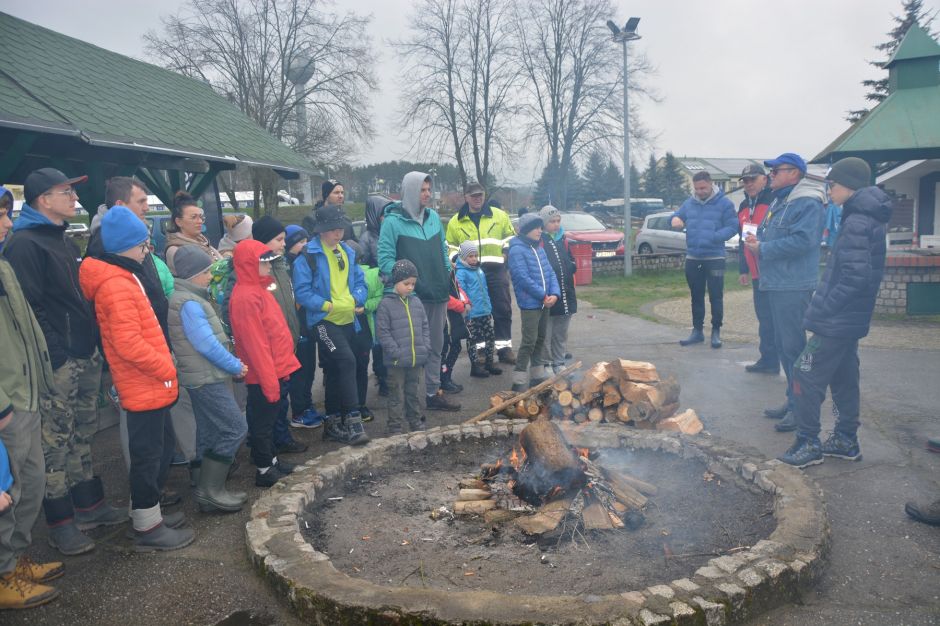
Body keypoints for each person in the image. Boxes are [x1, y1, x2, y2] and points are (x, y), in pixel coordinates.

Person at [3, 168, 124, 556]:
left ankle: (90, 505)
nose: (75, 198)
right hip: (59, 363)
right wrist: (56, 357)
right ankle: (61, 523)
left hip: (83, 353)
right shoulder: (24, 245)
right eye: (66, 192)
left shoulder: (62, 239)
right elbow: (30, 310)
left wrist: (91, 347)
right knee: (55, 442)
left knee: (82, 431)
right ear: (44, 199)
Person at [79, 207, 193, 551]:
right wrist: (165, 367)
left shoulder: (123, 276)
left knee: (158, 450)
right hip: (143, 383)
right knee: (147, 456)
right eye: (143, 245)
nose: (147, 250)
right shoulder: (116, 284)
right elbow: (127, 343)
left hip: (148, 382)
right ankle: (147, 527)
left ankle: (148, 514)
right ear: (124, 245)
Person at [777, 158, 891, 468]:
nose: (829, 190)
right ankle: (845, 439)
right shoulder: (865, 217)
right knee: (843, 378)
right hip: (849, 320)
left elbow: (856, 277)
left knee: (803, 373)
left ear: (849, 186)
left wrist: (824, 307)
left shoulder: (857, 222)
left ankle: (808, 441)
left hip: (837, 320)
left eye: (833, 185)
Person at [0, 190, 62, 609]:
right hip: (7, 402)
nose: (8, 223)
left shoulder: (3, 264)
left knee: (31, 483)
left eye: (7, 214)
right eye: (0, 216)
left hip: (25, 393)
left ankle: (15, 560)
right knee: (8, 491)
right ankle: (3, 574)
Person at [745, 153, 826, 432]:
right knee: (783, 346)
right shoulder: (781, 200)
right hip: (777, 282)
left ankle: (801, 408)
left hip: (793, 285)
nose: (772, 175)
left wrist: (763, 248)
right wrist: (758, 240)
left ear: (794, 173)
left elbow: (804, 241)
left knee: (794, 348)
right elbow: (775, 233)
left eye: (776, 171)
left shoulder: (807, 202)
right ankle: (792, 399)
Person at [167, 245, 248, 512]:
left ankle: (203, 488)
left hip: (198, 377)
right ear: (193, 275)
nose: (211, 276)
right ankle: (211, 491)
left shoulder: (185, 298)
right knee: (235, 428)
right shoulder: (190, 303)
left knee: (208, 431)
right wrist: (234, 366)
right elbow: (206, 345)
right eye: (206, 272)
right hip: (206, 377)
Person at [378, 172, 460, 411]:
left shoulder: (433, 217)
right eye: (422, 190)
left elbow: (443, 250)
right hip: (411, 298)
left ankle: (433, 393)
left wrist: (446, 273)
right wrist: (407, 284)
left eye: (428, 190)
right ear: (411, 192)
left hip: (438, 293)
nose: (427, 194)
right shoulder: (392, 222)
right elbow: (385, 260)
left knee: (436, 345)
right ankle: (408, 401)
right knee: (409, 350)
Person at [292, 204, 370, 445]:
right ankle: (354, 420)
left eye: (341, 228)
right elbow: (302, 292)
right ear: (321, 231)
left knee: (337, 369)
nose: (338, 233)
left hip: (349, 320)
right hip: (324, 321)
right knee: (347, 361)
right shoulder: (308, 255)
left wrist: (355, 299)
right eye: (333, 229)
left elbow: (361, 283)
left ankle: (333, 423)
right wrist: (327, 306)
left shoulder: (348, 251)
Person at [228, 240, 301, 486]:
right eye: (264, 262)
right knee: (262, 423)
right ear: (250, 264)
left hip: (274, 369)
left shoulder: (258, 289)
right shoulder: (246, 297)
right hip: (263, 374)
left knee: (269, 420)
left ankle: (271, 460)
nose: (269, 266)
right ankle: (263, 469)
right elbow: (256, 346)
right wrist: (270, 382)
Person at [251, 216, 308, 453]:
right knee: (269, 400)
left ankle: (279, 438)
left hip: (286, 342)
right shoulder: (255, 268)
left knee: (282, 396)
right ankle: (269, 446)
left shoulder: (280, 264)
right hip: (269, 347)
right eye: (279, 239)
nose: (284, 244)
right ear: (264, 241)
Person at [445, 182, 517, 364]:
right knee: (476, 313)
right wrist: (457, 260)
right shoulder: (455, 221)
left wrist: (506, 254)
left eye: (480, 195)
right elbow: (450, 246)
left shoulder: (499, 216)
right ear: (466, 197)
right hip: (470, 273)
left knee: (502, 308)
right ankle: (481, 350)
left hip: (496, 270)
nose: (478, 198)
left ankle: (504, 348)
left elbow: (510, 237)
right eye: (473, 195)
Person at [670, 171, 738, 348]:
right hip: (693, 257)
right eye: (697, 188)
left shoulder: (724, 203)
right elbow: (675, 216)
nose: (700, 192)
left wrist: (715, 237)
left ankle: (716, 331)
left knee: (716, 296)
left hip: (715, 257)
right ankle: (697, 331)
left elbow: (733, 226)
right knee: (696, 296)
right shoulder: (689, 203)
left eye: (703, 188)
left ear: (711, 184)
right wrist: (675, 219)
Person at [375, 260, 430, 434]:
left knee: (413, 393)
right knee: (396, 395)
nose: (410, 287)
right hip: (396, 361)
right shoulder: (386, 304)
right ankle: (395, 426)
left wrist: (425, 347)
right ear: (396, 281)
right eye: (406, 283)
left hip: (415, 359)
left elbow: (425, 326)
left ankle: (415, 421)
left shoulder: (416, 302)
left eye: (413, 284)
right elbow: (382, 332)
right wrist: (395, 352)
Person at [507, 213, 560, 392]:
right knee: (529, 341)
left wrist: (554, 294)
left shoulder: (539, 248)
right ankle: (518, 381)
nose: (540, 231)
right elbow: (521, 277)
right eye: (536, 228)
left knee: (540, 339)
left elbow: (550, 273)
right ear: (526, 230)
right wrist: (543, 295)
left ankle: (537, 376)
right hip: (530, 304)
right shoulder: (517, 250)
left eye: (540, 227)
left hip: (545, 302)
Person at [737, 165, 779, 374]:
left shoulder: (774, 201)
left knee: (778, 319)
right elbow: (743, 240)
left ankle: (789, 362)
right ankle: (768, 360)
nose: (749, 184)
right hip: (756, 273)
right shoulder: (744, 206)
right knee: (764, 318)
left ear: (764, 179)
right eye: (745, 181)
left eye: (753, 179)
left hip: (774, 271)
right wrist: (743, 269)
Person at [283, 225, 324, 429]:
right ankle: (299, 411)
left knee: (309, 370)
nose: (305, 245)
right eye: (300, 242)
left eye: (306, 241)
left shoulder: (308, 262)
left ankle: (307, 405)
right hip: (295, 328)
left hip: (307, 326)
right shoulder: (285, 267)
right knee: (298, 373)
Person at [538, 205, 578, 374]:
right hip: (549, 294)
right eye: (552, 221)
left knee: (561, 332)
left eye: (558, 220)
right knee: (546, 333)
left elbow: (571, 260)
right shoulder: (540, 241)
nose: (556, 224)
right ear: (544, 223)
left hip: (566, 293)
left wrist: (572, 267)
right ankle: (546, 364)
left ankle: (559, 362)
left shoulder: (564, 240)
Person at [358, 196, 390, 396]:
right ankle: (382, 377)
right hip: (376, 292)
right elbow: (362, 266)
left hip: (391, 290)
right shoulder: (367, 238)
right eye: (383, 214)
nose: (387, 217)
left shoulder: (390, 232)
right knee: (378, 339)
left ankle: (389, 375)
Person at [345, 239, 381, 422]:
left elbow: (379, 297)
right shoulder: (335, 277)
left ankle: (360, 404)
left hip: (362, 327)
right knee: (346, 368)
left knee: (361, 367)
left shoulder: (369, 275)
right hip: (343, 328)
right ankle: (348, 407)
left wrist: (365, 306)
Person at [455, 241, 501, 378]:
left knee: (490, 336)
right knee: (472, 339)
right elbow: (461, 292)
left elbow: (484, 290)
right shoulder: (461, 273)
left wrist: (489, 307)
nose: (474, 258)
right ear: (463, 257)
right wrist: (466, 309)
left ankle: (489, 362)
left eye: (475, 255)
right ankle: (475, 366)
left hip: (485, 311)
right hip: (472, 313)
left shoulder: (479, 270)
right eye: (470, 256)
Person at [164, 190, 223, 275]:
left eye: (200, 217)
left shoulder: (204, 242)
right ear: (178, 222)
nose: (200, 221)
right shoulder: (176, 250)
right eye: (193, 217)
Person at [440, 257, 469, 393]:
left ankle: (447, 376)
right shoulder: (439, 272)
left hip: (454, 318)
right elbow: (443, 295)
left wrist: (466, 301)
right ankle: (443, 380)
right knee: (443, 351)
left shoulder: (450, 271)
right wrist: (460, 305)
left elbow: (458, 288)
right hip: (445, 319)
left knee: (456, 347)